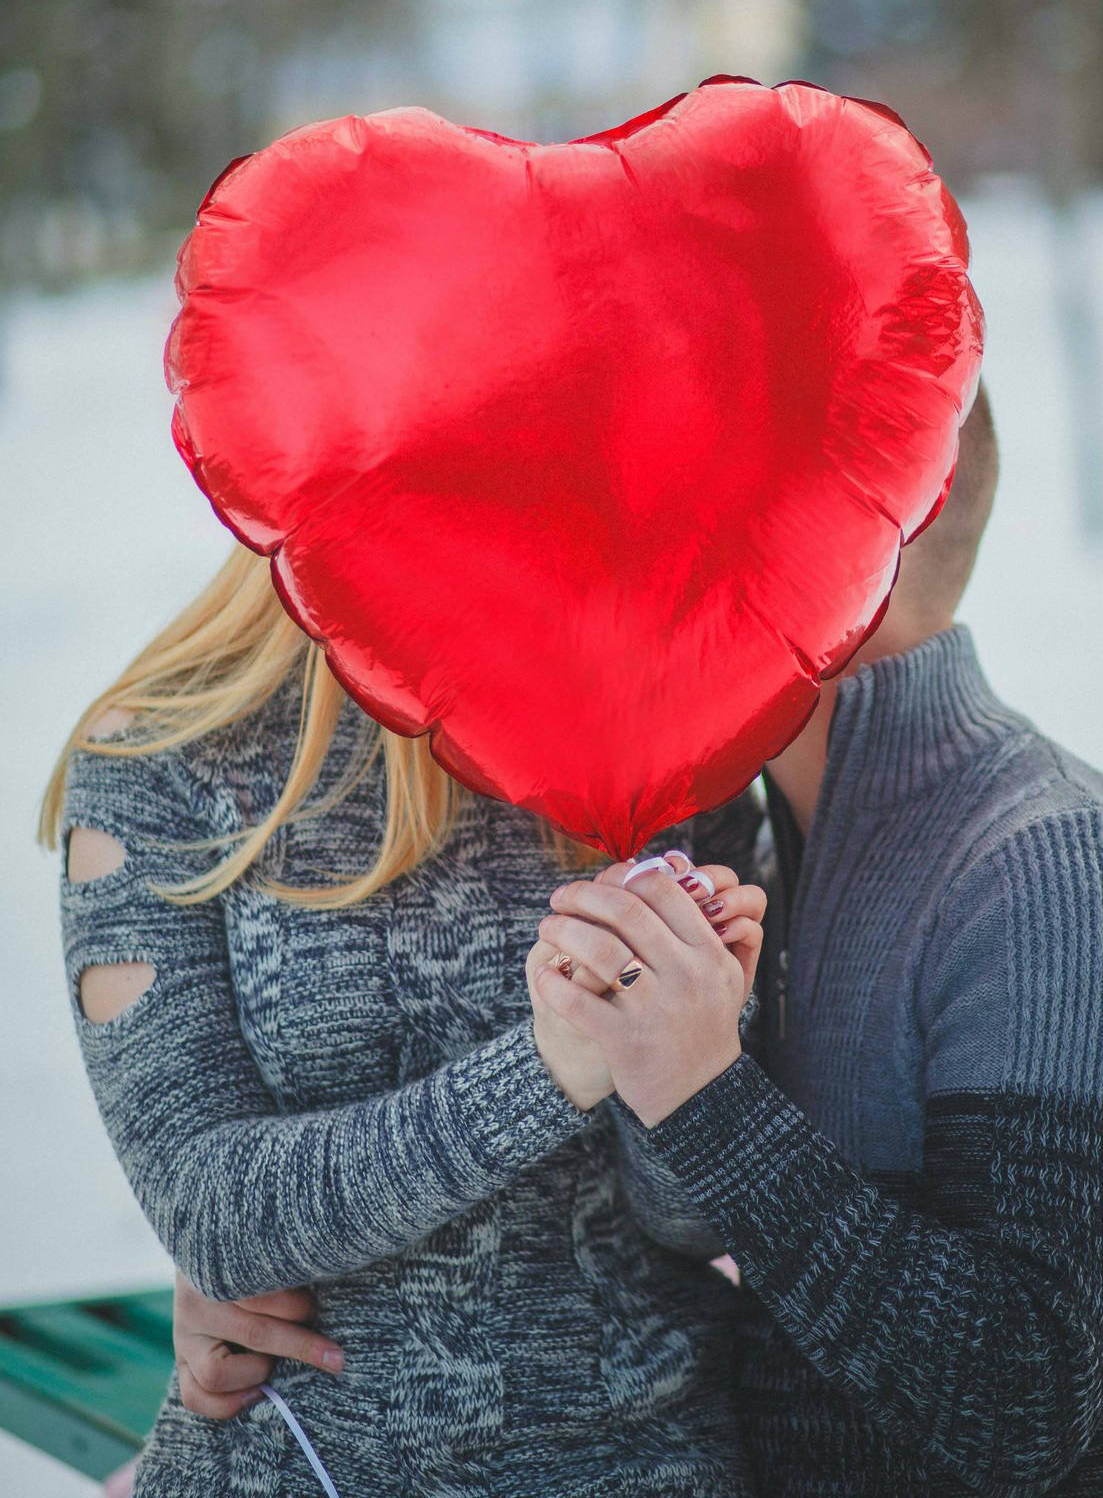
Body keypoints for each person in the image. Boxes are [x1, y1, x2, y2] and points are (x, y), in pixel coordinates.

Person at [534, 385, 1103, 1495]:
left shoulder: (1063, 877)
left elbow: (1019, 1403)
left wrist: (701, 1094)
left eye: (683, 506)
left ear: (831, 535)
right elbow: (706, 1231)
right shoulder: (771, 857)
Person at [44, 546, 768, 1498]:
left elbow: (691, 1225)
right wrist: (550, 1068)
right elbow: (209, 1215)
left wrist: (694, 1060)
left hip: (656, 1456)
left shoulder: (672, 733)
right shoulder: (158, 758)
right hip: (308, 1463)